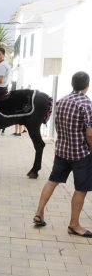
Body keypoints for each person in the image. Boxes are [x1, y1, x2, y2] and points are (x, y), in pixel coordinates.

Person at [33, 71, 92, 237]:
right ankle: (74, 225)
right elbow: (90, 133)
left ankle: (39, 213)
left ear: (72, 84)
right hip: (81, 153)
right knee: (81, 188)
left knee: (52, 181)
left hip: (62, 150)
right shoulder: (87, 104)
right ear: (87, 85)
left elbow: (58, 126)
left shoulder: (62, 101)